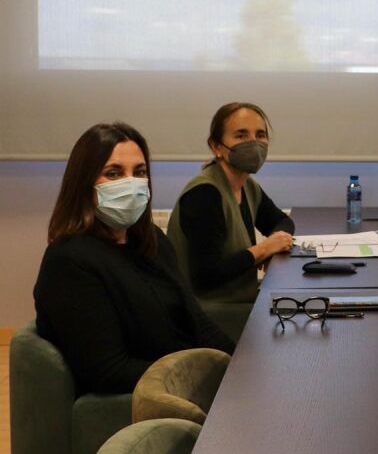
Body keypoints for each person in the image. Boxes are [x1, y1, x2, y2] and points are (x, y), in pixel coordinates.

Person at [33, 123, 234, 395]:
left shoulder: (152, 240)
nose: (131, 183)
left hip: (187, 378)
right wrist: (199, 376)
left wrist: (239, 363)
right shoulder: (69, 261)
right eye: (113, 173)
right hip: (151, 399)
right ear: (84, 183)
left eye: (139, 172)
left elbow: (198, 322)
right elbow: (108, 372)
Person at [167, 102, 295, 340]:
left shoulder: (246, 185)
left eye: (260, 135)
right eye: (241, 135)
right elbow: (207, 275)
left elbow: (280, 221)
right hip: (207, 316)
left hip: (238, 304)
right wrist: (263, 250)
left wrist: (274, 243)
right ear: (216, 146)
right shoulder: (204, 194)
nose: (253, 143)